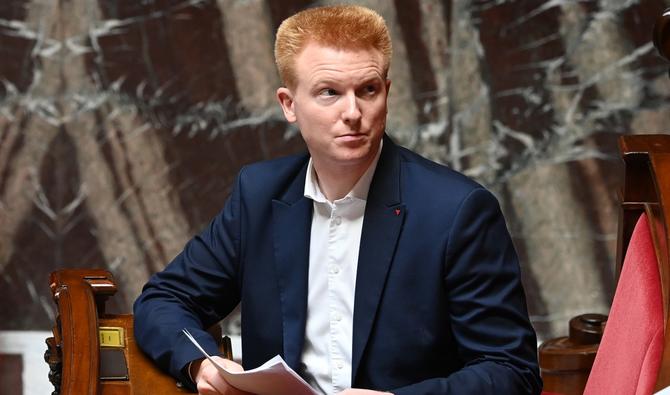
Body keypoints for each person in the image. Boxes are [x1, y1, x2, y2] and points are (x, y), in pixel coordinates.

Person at [134, 5, 542, 395]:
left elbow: (511, 371)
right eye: (329, 92)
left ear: (387, 92)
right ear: (289, 104)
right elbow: (165, 300)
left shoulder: (457, 210)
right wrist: (201, 363)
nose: (353, 112)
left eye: (368, 90)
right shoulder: (258, 195)